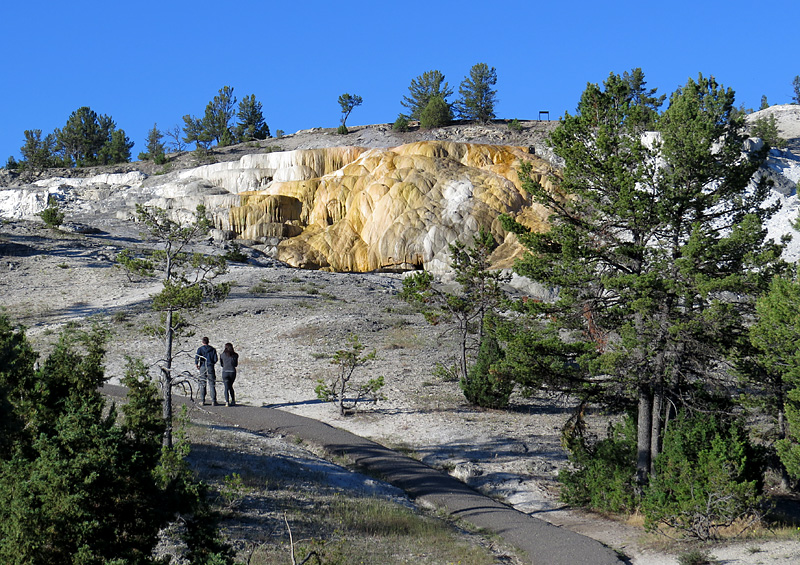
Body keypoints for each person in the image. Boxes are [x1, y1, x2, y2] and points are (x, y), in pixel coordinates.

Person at [195, 337, 219, 406]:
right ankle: (213, 400)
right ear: (208, 342)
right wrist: (211, 363)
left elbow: (197, 357)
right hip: (210, 367)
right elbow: (215, 359)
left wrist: (197, 364)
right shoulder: (213, 349)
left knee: (202, 383)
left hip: (203, 366)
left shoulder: (200, 349)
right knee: (212, 384)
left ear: (202, 342)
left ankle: (202, 400)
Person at [219, 342, 239, 406]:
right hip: (232, 372)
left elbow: (221, 364)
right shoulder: (235, 355)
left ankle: (227, 401)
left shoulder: (222, 355)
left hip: (225, 371)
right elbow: (236, 364)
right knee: (230, 386)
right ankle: (233, 400)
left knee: (226, 387)